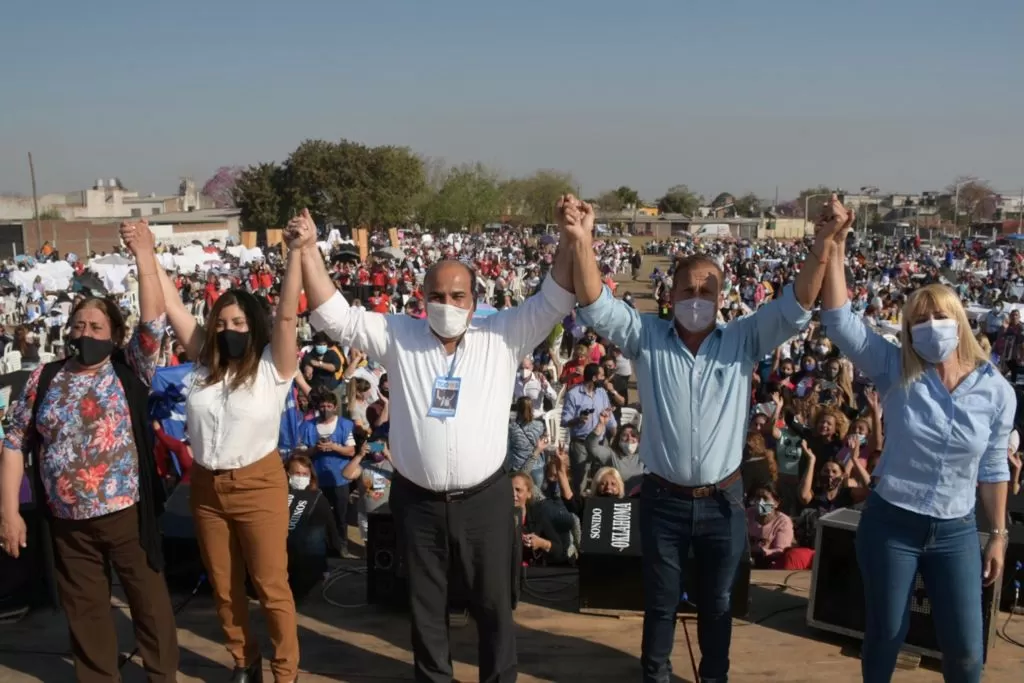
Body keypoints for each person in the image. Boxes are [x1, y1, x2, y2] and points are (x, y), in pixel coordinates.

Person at [289, 203, 577, 683]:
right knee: (425, 610)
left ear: (473, 298)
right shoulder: (400, 334)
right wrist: (306, 251)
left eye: (458, 295)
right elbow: (334, 316)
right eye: (437, 295)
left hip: (484, 499)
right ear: (422, 298)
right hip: (417, 502)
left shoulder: (502, 334)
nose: (447, 304)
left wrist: (571, 239)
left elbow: (555, 298)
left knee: (494, 608)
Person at [572, 194, 851, 682]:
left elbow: (797, 304)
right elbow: (596, 305)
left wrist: (823, 243)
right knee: (659, 602)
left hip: (723, 500)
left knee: (719, 605)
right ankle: (655, 676)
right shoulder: (647, 336)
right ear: (671, 294)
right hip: (664, 499)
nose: (697, 297)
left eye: (708, 289)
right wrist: (581, 239)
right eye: (688, 289)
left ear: (721, 298)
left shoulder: (743, 338)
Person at [820, 218, 1014, 683]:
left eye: (940, 316)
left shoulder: (996, 390)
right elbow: (841, 322)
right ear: (907, 329)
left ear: (960, 320)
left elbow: (993, 469)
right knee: (886, 633)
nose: (931, 327)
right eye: (919, 320)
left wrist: (999, 535)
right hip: (892, 523)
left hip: (956, 531)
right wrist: (835, 247)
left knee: (966, 650)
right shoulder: (894, 367)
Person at [0, 224, 179, 682]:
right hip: (66, 521)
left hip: (126, 513)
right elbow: (15, 441)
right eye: (79, 325)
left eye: (97, 326)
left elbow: (155, 321)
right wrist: (9, 513)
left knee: (149, 604)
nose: (86, 332)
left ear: (115, 334)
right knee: (85, 612)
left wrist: (143, 254)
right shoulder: (43, 378)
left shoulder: (128, 368)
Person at [143, 214, 304, 683]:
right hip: (206, 486)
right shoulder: (203, 364)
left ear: (253, 325)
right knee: (225, 586)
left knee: (272, 587)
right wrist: (150, 254)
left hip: (258, 483)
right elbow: (173, 306)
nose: (228, 328)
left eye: (238, 321)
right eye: (221, 321)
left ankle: (285, 671)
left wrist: (295, 252)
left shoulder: (274, 366)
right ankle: (243, 659)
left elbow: (289, 313)